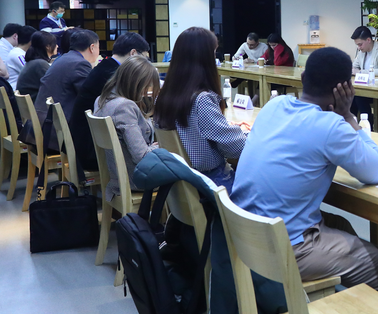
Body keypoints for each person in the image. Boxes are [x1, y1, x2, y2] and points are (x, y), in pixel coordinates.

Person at [230, 47, 378, 307]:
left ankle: (349, 278)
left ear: (302, 78)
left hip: (245, 232)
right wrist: (348, 116)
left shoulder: (274, 105)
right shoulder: (332, 126)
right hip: (285, 247)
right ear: (346, 89)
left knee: (340, 224)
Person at [154, 27, 247, 190]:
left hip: (179, 183)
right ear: (204, 59)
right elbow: (234, 148)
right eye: (213, 54)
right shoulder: (201, 100)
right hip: (211, 183)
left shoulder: (162, 97)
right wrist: (251, 136)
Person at [70, 33, 151, 172]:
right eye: (144, 58)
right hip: (93, 153)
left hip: (84, 143)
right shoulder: (114, 75)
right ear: (133, 53)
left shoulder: (105, 67)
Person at [93, 56, 160, 202]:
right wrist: (160, 146)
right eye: (147, 85)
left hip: (116, 176)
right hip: (136, 179)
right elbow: (142, 156)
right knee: (186, 172)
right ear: (136, 84)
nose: (147, 91)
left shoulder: (102, 99)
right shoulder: (124, 107)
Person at [32, 29, 100, 139]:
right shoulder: (80, 63)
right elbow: (91, 95)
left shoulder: (63, 58)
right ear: (92, 48)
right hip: (56, 132)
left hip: (43, 125)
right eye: (98, 47)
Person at [349, 26, 378, 121]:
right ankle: (352, 124)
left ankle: (368, 124)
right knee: (351, 96)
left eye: (360, 44)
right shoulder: (362, 51)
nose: (358, 47)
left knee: (359, 97)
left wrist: (360, 72)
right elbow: (354, 66)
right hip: (365, 87)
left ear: (368, 40)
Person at [16, 31, 58, 103]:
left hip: (30, 104)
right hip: (36, 106)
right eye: (55, 44)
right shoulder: (40, 64)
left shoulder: (34, 62)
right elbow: (54, 85)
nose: (57, 46)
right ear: (47, 46)